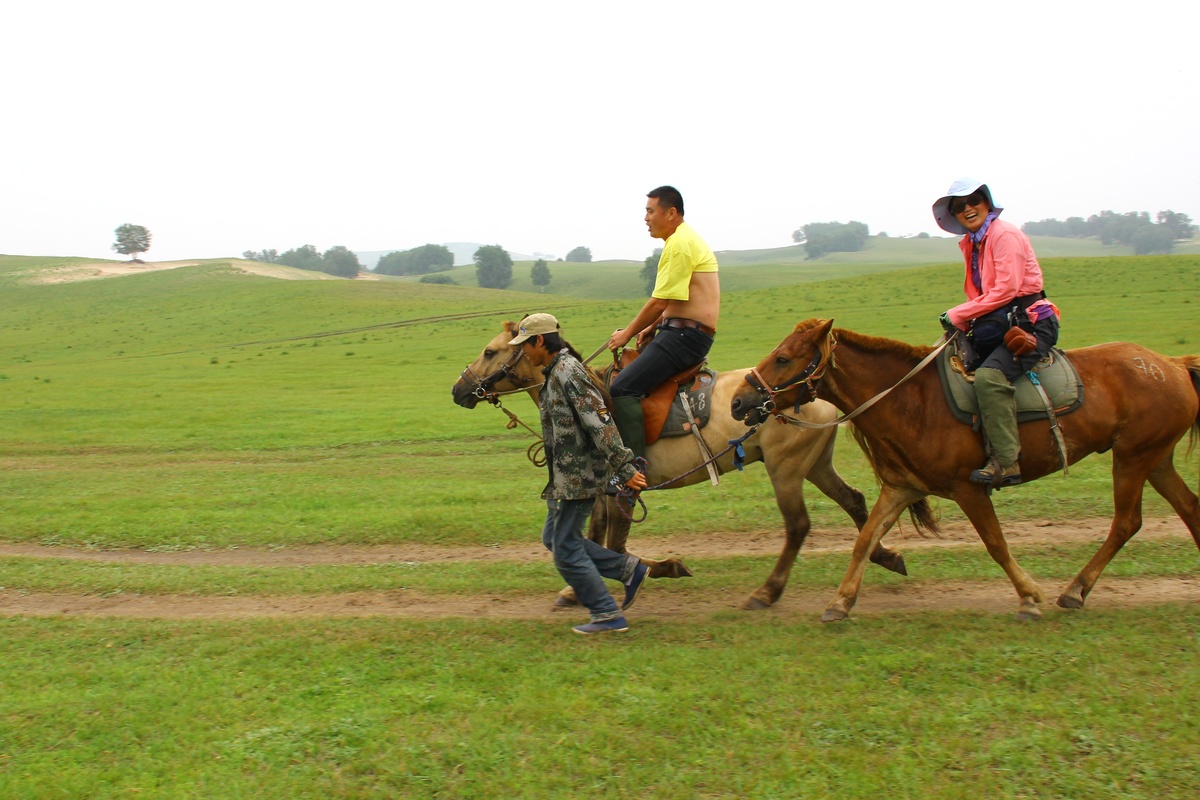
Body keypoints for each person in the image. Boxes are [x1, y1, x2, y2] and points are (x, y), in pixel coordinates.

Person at [509, 312, 651, 634]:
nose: (524, 353)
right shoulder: (555, 371)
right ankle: (628, 570)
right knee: (554, 539)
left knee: (566, 549)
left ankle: (606, 613)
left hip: (578, 478)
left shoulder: (567, 372)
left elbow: (599, 421)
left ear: (540, 341)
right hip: (564, 478)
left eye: (525, 346)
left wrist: (624, 467)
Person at [932, 178, 1061, 488]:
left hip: (1029, 323)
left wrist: (957, 314)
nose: (967, 209)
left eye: (973, 200)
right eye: (959, 207)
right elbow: (980, 295)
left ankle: (1007, 463)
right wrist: (961, 323)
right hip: (997, 324)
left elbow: (1007, 289)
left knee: (989, 378)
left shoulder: (1004, 235)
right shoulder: (973, 243)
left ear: (986, 202)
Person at [604, 185, 720, 459]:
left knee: (621, 387)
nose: (645, 218)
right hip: (679, 332)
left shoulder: (679, 245)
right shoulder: (681, 240)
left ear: (670, 213)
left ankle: (633, 467)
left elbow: (658, 301)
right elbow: (672, 299)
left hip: (685, 338)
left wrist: (627, 334)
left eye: (650, 211)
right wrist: (651, 327)